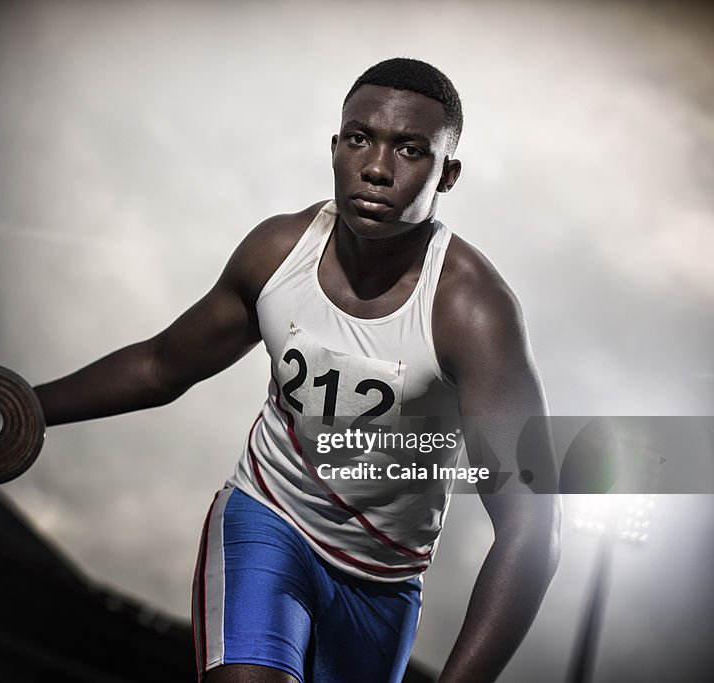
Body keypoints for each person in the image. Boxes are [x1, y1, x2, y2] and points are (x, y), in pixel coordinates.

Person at [33, 58, 561, 683]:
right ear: (336, 147)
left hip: (382, 582)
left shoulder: (473, 312)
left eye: (410, 150)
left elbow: (531, 530)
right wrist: (20, 406)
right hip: (269, 520)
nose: (376, 167)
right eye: (360, 139)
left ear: (447, 175)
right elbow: (160, 365)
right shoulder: (279, 252)